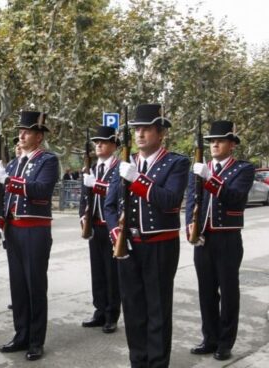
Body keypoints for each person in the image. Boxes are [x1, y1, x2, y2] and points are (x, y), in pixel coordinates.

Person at [104, 103, 190, 368]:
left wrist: (138, 180)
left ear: (160, 132)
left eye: (146, 129)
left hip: (159, 246)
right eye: (137, 129)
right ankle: (138, 362)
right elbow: (109, 206)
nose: (140, 134)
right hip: (128, 245)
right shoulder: (125, 163)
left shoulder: (176, 162)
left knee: (158, 310)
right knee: (133, 310)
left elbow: (171, 200)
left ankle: (157, 364)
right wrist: (115, 232)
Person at [0, 111, 59, 361]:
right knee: (18, 287)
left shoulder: (47, 160)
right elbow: (5, 197)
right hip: (14, 230)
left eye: (27, 131)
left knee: (35, 286)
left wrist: (8, 181)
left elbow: (41, 191)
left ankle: (35, 340)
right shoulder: (14, 162)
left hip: (34, 230)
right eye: (20, 130)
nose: (21, 135)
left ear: (39, 136)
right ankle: (21, 334)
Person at [185, 120, 254, 361]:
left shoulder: (243, 169)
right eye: (212, 141)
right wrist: (190, 226)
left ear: (232, 144)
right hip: (204, 238)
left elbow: (235, 198)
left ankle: (225, 342)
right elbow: (192, 200)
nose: (214, 144)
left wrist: (211, 179)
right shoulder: (200, 168)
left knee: (228, 291)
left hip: (227, 238)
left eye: (220, 140)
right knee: (206, 291)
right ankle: (210, 337)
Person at [79, 126, 121, 333]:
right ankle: (99, 311)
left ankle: (112, 314)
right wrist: (82, 218)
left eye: (103, 142)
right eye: (96, 142)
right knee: (98, 272)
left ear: (114, 145)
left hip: (111, 226)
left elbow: (117, 195)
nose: (98, 145)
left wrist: (96, 184)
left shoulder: (119, 168)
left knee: (112, 273)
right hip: (94, 225)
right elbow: (84, 198)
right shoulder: (93, 168)